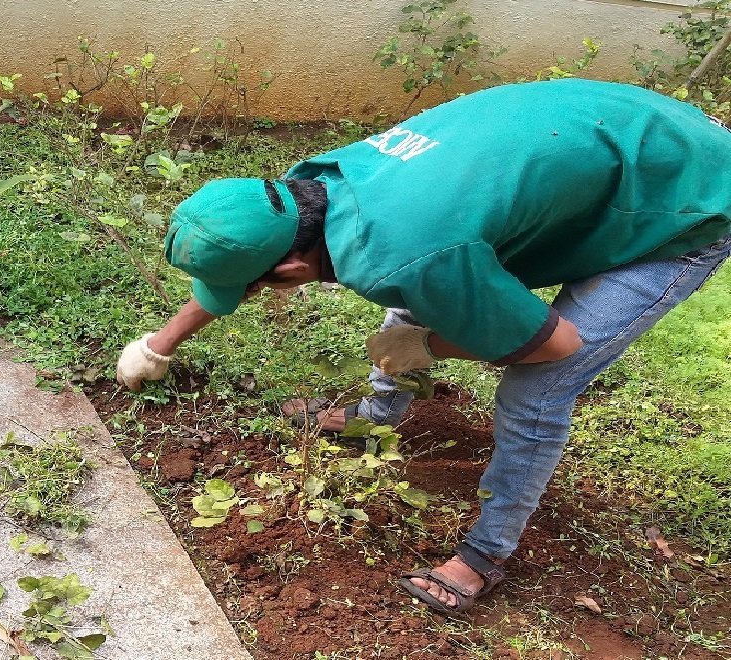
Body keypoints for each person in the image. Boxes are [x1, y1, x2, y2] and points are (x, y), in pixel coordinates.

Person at [115, 78, 731, 617]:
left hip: (682, 201)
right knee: (421, 287)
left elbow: (555, 345)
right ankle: (375, 417)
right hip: (602, 131)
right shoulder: (318, 186)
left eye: (253, 288)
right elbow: (401, 261)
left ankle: (485, 556)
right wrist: (159, 343)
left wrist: (426, 346)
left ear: (291, 269)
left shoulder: (407, 247)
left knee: (537, 388)